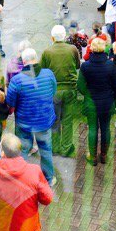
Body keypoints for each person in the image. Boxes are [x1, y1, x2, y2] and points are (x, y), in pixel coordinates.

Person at [6, 48, 57, 185]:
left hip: (24, 123)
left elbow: (10, 103)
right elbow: (53, 91)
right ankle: (49, 179)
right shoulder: (49, 74)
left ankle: (21, 178)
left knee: (22, 150)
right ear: (37, 58)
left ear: (23, 62)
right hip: (44, 121)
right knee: (45, 150)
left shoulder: (17, 80)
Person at [39, 25, 81, 157]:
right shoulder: (73, 49)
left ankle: (55, 147)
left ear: (52, 37)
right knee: (68, 120)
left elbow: (42, 69)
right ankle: (67, 147)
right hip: (70, 89)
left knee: (55, 120)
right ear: (64, 36)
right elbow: (78, 65)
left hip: (54, 91)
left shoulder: (47, 51)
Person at [77, 37, 116, 165]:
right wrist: (112, 96)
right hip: (107, 101)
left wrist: (88, 94)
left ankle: (93, 157)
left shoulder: (85, 66)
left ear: (91, 49)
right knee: (106, 128)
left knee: (93, 128)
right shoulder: (110, 65)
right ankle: (104, 155)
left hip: (91, 102)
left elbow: (80, 85)